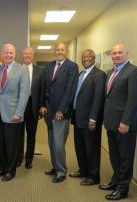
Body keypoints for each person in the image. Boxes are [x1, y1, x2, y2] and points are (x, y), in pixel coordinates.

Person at [99, 43, 137, 200]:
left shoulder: (133, 71)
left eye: (120, 52)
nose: (116, 55)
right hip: (111, 123)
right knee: (114, 156)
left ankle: (122, 189)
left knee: (125, 158)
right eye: (114, 53)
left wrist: (125, 121)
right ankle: (116, 180)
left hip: (124, 125)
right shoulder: (110, 72)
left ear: (127, 54)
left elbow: (133, 100)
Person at [40, 42, 78, 183]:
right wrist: (43, 104)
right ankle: (55, 167)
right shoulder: (49, 66)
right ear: (54, 51)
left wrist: (61, 109)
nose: (60, 52)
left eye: (62, 50)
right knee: (51, 142)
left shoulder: (72, 67)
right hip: (49, 111)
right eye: (58, 50)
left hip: (61, 112)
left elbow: (70, 90)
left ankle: (61, 171)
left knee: (58, 143)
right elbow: (44, 86)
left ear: (66, 51)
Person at [0, 43, 30, 181]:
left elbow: (24, 94)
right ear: (2, 54)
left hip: (13, 115)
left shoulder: (22, 69)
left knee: (11, 145)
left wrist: (19, 112)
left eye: (11, 53)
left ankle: (10, 170)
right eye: (6, 53)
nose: (8, 55)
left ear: (15, 54)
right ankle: (1, 168)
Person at [69, 49, 106, 186]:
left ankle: (93, 176)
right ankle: (83, 170)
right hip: (78, 118)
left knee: (92, 149)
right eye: (83, 57)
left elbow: (98, 99)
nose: (85, 59)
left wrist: (93, 119)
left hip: (90, 120)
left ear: (93, 59)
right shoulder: (80, 74)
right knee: (80, 147)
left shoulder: (99, 75)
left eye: (88, 57)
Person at [17, 47, 44, 169]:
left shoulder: (40, 70)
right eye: (25, 54)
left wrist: (42, 105)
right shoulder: (16, 69)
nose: (27, 56)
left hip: (33, 105)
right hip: (19, 106)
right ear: (22, 56)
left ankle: (29, 159)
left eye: (29, 54)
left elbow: (43, 90)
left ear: (33, 56)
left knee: (31, 135)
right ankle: (18, 158)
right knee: (18, 134)